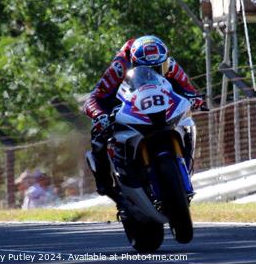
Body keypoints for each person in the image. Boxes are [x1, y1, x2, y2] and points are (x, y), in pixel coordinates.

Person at [84, 35, 204, 208]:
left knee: (187, 123)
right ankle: (106, 184)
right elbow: (94, 98)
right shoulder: (120, 67)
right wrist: (100, 115)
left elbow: (189, 89)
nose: (154, 71)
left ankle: (183, 162)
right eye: (148, 68)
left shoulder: (168, 63)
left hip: (159, 103)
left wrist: (196, 100)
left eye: (158, 67)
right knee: (98, 133)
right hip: (125, 102)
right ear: (134, 63)